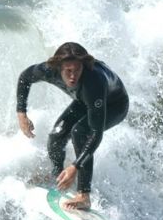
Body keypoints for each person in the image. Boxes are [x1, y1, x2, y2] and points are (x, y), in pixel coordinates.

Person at [16, 42, 129, 210]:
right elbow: (25, 77)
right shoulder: (48, 70)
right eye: (68, 71)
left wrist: (75, 166)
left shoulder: (93, 82)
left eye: (77, 70)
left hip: (114, 105)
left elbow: (96, 134)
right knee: (57, 135)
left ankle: (84, 195)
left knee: (80, 132)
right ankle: (58, 175)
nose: (73, 76)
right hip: (84, 100)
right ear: (58, 68)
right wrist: (21, 113)